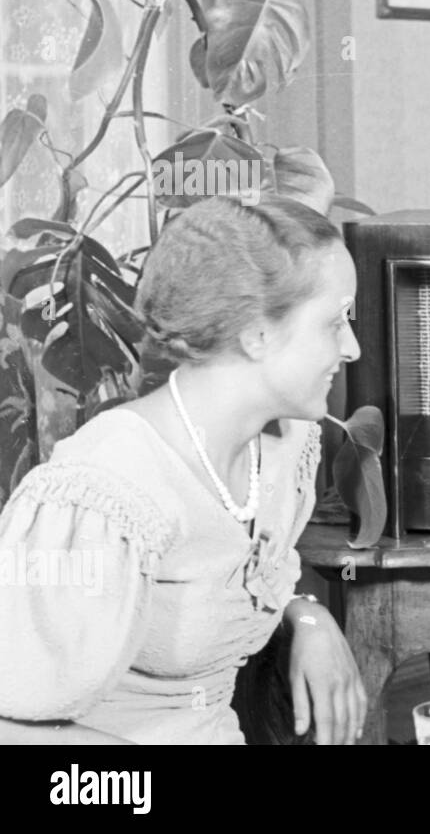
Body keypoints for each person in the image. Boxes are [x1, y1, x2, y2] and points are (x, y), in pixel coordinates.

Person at [0, 194, 367, 744]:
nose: (353, 347)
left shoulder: (286, 446)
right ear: (256, 334)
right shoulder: (106, 488)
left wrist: (307, 616)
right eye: (334, 322)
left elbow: (216, 582)